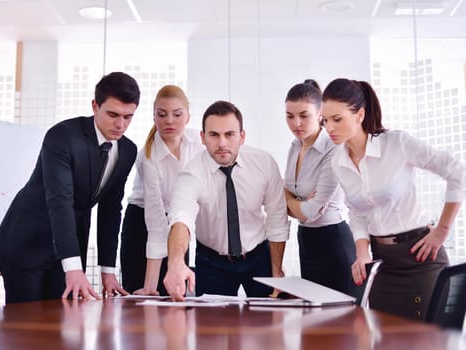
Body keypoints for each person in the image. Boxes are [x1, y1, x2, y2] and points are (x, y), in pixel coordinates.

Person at [321, 77, 466, 320]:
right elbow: (356, 211)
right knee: (386, 340)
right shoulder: (338, 162)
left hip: (421, 258)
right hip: (383, 265)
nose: (329, 128)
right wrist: (362, 252)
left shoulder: (397, 144)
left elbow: (457, 173)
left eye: (337, 119)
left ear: (359, 115)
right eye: (325, 120)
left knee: (426, 341)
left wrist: (442, 230)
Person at [0, 72, 141, 303]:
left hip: (68, 245)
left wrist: (108, 271)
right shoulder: (62, 136)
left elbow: (111, 210)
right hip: (26, 242)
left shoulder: (127, 151)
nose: (120, 125)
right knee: (25, 328)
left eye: (128, 117)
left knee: (64, 326)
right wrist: (73, 267)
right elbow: (60, 200)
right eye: (113, 114)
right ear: (95, 106)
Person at [163, 100, 290, 301]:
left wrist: (276, 271)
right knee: (211, 329)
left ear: (242, 136)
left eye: (229, 134)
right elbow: (181, 219)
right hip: (211, 261)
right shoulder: (192, 173)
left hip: (258, 256)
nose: (222, 143)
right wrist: (176, 263)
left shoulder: (264, 163)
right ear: (203, 138)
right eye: (214, 135)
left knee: (268, 326)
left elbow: (276, 218)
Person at [119, 85, 202, 295]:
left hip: (177, 224)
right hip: (142, 224)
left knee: (175, 295)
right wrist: (149, 287)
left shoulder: (198, 143)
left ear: (188, 117)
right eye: (162, 114)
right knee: (143, 299)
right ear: (154, 117)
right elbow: (155, 223)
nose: (169, 121)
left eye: (177, 114)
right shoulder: (148, 157)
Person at [283, 79, 358, 296]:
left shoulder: (334, 148)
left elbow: (311, 212)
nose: (296, 123)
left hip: (334, 241)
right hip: (306, 240)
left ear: (320, 114)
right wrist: (299, 203)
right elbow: (300, 208)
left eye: (303, 115)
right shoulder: (295, 146)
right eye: (289, 116)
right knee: (313, 322)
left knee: (341, 322)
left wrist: (288, 199)